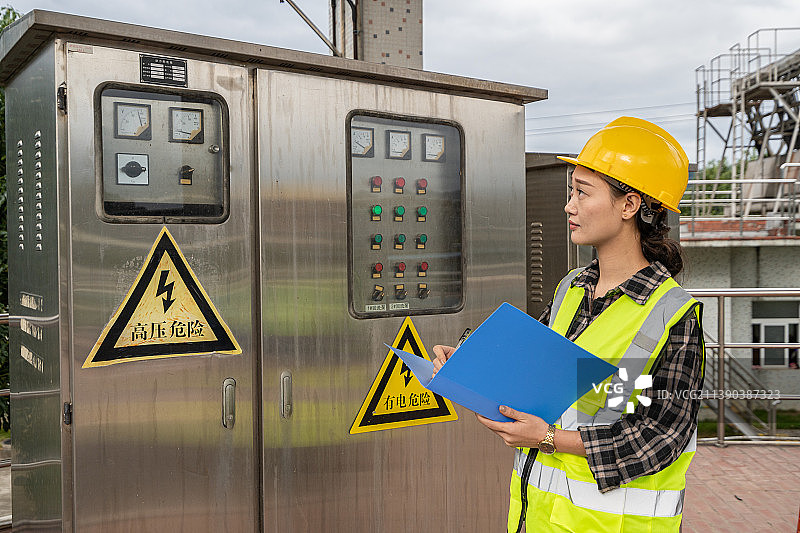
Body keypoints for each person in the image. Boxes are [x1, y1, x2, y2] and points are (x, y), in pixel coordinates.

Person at [433, 117, 704, 533]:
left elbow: (660, 436)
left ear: (629, 205)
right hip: (536, 519)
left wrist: (547, 440)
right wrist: (470, 367)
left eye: (582, 192)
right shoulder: (571, 290)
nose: (569, 206)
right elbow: (532, 375)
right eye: (570, 191)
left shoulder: (672, 314)